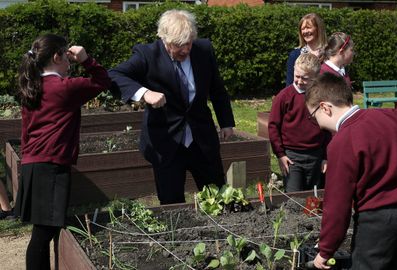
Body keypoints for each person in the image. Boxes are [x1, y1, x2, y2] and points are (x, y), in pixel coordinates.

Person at [305, 73, 397, 270]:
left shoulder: (341, 142)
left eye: (314, 118)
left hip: (378, 221)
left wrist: (326, 250)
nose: (318, 125)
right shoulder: (389, 116)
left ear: (325, 107)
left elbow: (337, 204)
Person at [109, 9, 235, 204]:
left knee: (218, 196)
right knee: (172, 204)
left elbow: (217, 88)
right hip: (166, 143)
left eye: (189, 43)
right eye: (179, 45)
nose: (185, 50)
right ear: (164, 40)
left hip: (201, 139)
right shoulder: (147, 54)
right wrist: (145, 93)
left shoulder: (203, 50)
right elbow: (114, 75)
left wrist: (226, 122)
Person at [14, 34, 111, 269]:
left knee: (43, 230)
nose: (70, 64)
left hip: (34, 163)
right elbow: (102, 81)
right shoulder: (65, 87)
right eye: (67, 58)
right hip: (51, 167)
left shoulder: (33, 87)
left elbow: (26, 131)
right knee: (43, 234)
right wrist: (87, 59)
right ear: (57, 57)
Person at [268, 53, 330, 192]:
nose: (300, 81)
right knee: (293, 197)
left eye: (305, 78)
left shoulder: (321, 98)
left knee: (315, 196)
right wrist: (280, 154)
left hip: (316, 155)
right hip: (292, 157)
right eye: (297, 76)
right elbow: (273, 126)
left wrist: (326, 156)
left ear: (316, 78)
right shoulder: (283, 97)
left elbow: (328, 129)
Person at [285, 13, 327, 86]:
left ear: (318, 29)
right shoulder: (295, 55)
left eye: (308, 27)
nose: (305, 31)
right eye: (303, 29)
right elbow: (289, 84)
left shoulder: (329, 53)